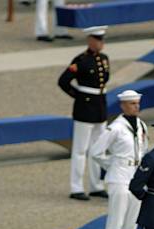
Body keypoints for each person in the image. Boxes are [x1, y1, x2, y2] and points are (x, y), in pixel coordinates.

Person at [91, 90, 148, 229]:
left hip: (136, 177)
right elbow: (96, 152)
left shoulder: (140, 125)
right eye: (132, 104)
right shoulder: (115, 127)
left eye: (137, 103)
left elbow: (143, 150)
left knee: (131, 223)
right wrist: (112, 166)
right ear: (123, 106)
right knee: (115, 224)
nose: (136, 106)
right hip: (119, 177)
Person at [58, 26, 110, 201]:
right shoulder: (81, 60)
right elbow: (63, 81)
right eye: (98, 40)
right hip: (85, 107)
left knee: (98, 149)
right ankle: (76, 187)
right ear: (90, 41)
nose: (101, 43)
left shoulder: (104, 59)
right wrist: (78, 96)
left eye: (102, 40)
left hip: (100, 106)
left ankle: (96, 185)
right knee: (80, 149)